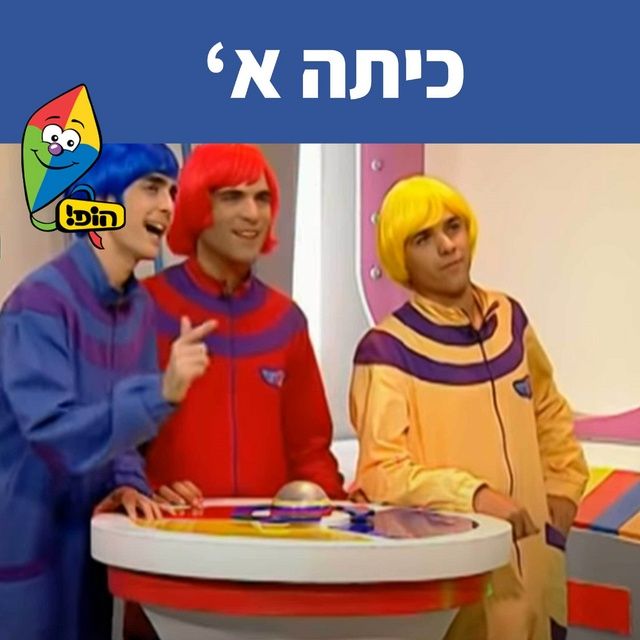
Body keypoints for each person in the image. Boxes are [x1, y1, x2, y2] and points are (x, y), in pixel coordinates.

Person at [349, 175, 589, 640]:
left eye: (453, 227)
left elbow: (549, 412)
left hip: (536, 569)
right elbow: (382, 472)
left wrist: (563, 492)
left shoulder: (510, 319)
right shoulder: (386, 349)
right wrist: (473, 497)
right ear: (402, 259)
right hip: (458, 582)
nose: (447, 246)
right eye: (423, 239)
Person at [0, 144, 215, 640]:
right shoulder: (39, 304)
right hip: (26, 547)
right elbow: (54, 432)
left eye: (172, 191)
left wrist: (129, 483)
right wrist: (160, 393)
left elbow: (125, 443)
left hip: (89, 554)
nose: (168, 205)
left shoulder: (139, 309)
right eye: (152, 188)